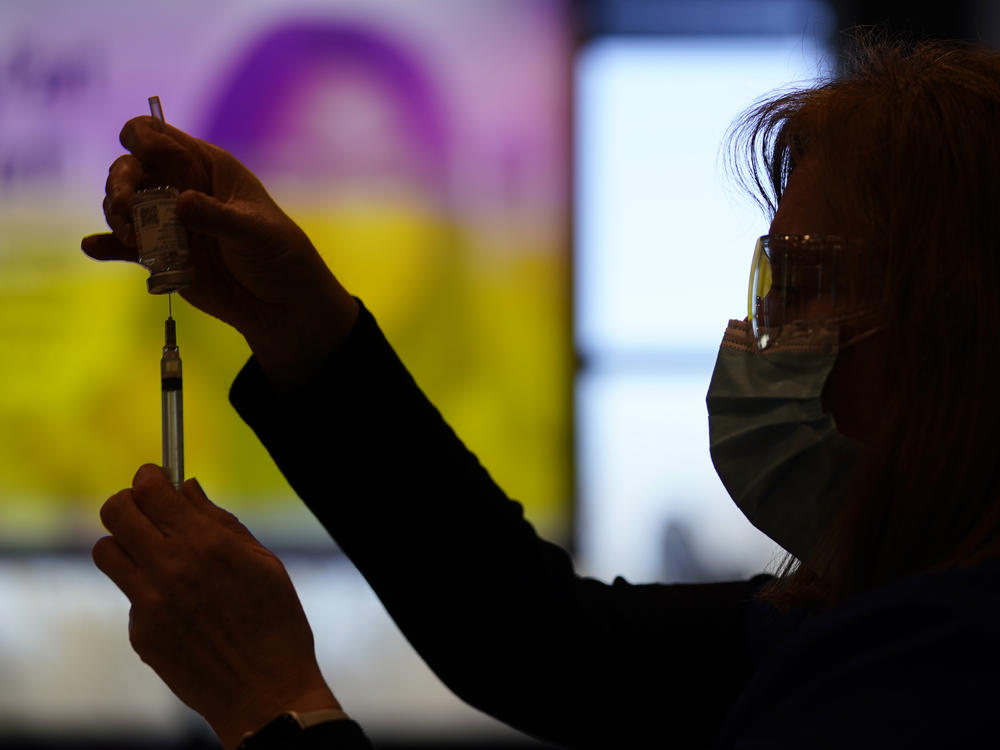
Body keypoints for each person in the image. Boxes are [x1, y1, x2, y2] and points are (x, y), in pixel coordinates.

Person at [84, 36, 1000, 749]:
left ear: (952, 331)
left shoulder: (943, 677)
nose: (762, 340)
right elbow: (548, 646)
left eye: (800, 290)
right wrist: (303, 326)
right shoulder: (881, 617)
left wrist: (277, 707)